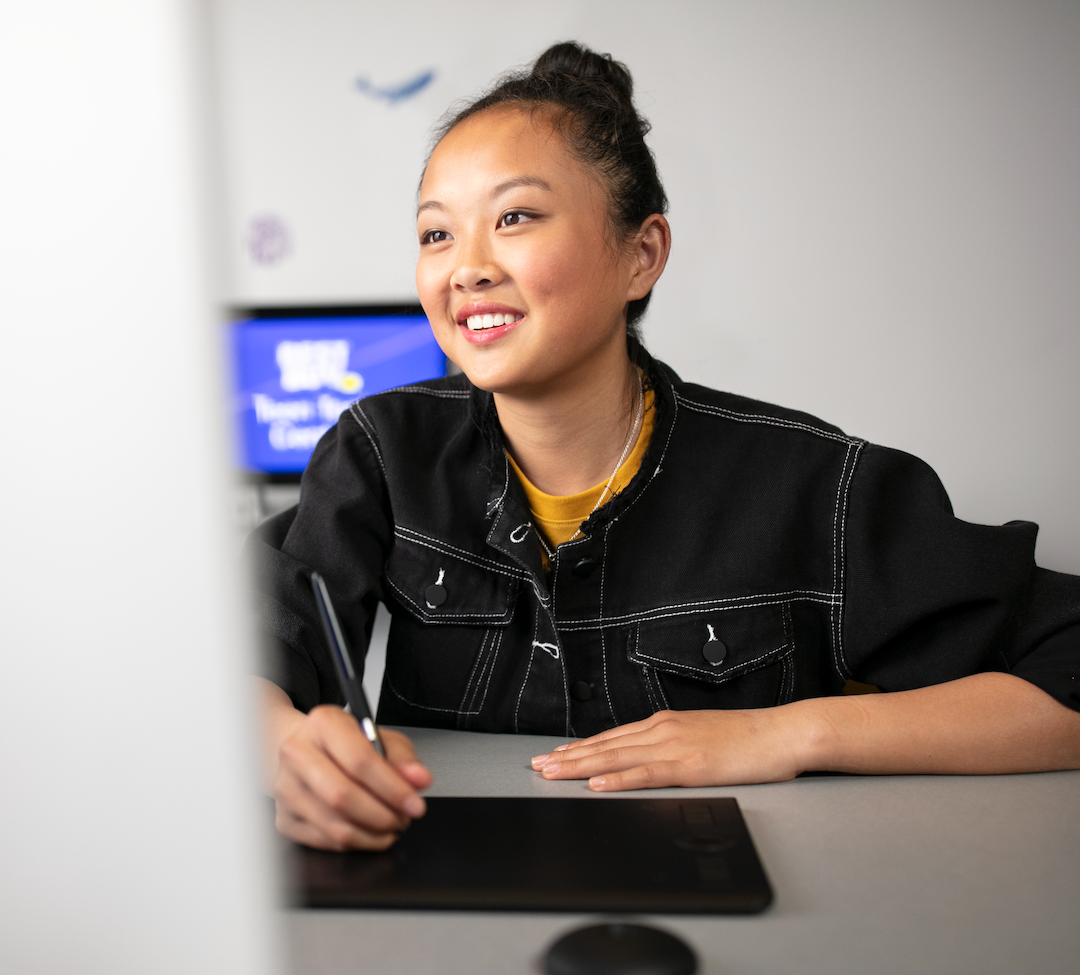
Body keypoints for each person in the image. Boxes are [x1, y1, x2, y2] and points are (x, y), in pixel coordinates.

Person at [249, 42, 1080, 852]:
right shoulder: (381, 452)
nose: (464, 269)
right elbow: (232, 656)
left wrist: (788, 734)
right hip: (447, 893)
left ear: (641, 255)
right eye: (436, 235)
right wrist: (287, 750)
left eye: (515, 218)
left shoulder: (811, 484)